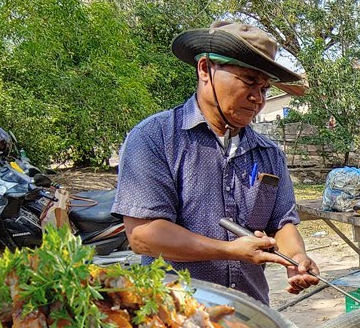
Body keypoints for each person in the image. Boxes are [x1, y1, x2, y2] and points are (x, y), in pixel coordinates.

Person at [112, 20, 320, 306]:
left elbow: (282, 223)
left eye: (264, 88)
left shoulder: (269, 153)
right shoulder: (155, 138)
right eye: (248, 81)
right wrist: (229, 250)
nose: (256, 98)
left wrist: (295, 258)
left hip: (249, 312)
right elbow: (143, 236)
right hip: (174, 316)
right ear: (205, 69)